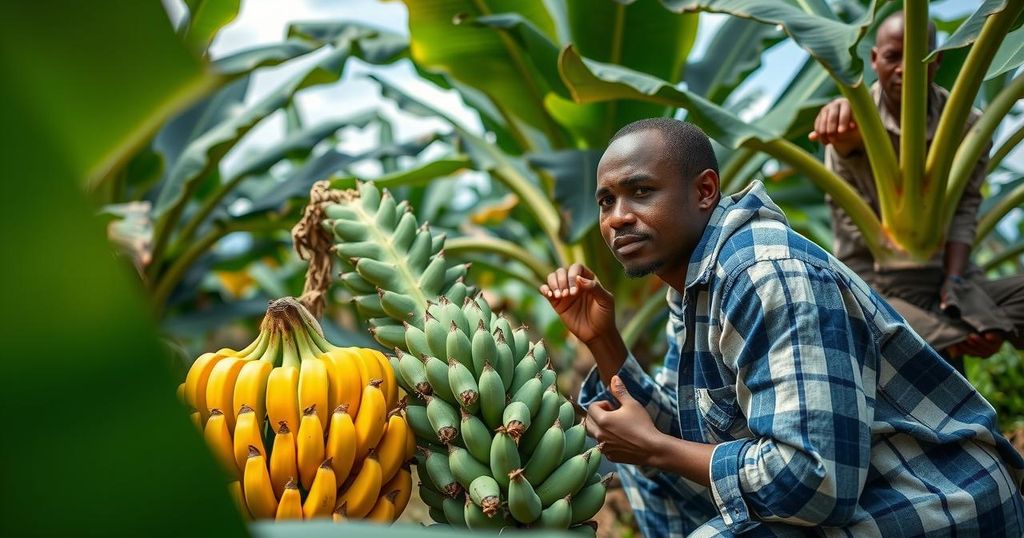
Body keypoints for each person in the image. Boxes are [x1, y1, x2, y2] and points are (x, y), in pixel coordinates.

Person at [541, 117, 1024, 537]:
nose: (619, 217)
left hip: (933, 498)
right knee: (648, 470)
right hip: (862, 496)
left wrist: (657, 449)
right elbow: (683, 430)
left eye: (641, 191)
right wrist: (602, 339)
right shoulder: (694, 287)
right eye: (606, 201)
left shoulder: (766, 276)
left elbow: (814, 483)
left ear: (705, 191)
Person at [809, 12, 1024, 366]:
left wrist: (954, 279)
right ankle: (959, 333)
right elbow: (848, 216)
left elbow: (967, 206)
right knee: (939, 334)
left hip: (950, 277)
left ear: (937, 60)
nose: (905, 69)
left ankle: (956, 324)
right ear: (875, 60)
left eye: (918, 58)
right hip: (874, 281)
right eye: (893, 57)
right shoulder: (851, 122)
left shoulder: (968, 124)